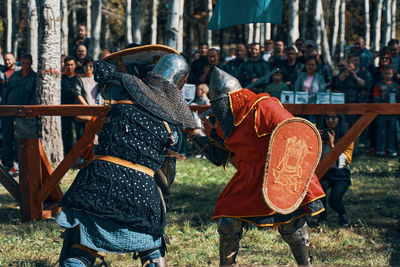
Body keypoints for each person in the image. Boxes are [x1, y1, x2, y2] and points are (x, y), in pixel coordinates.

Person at [56, 53, 197, 266]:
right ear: (182, 82)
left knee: (81, 246)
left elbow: (102, 70)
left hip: (96, 181)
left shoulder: (123, 88)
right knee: (153, 248)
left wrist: (127, 68)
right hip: (140, 190)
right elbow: (167, 168)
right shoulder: (173, 123)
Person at [190, 67, 325, 266]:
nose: (216, 108)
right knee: (227, 221)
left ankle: (306, 264)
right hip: (249, 178)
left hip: (279, 175)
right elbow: (219, 157)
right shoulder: (226, 121)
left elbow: (295, 134)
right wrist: (197, 133)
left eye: (218, 103)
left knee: (290, 225)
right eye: (213, 103)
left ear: (231, 98)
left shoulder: (264, 106)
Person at [1, 54, 36, 175]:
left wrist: (29, 112)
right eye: (23, 63)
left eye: (27, 63)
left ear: (31, 63)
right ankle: (6, 165)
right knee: (7, 139)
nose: (25, 65)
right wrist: (3, 108)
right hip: (8, 112)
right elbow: (6, 92)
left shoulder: (34, 77)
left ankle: (18, 166)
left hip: (23, 114)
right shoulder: (14, 76)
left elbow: (34, 97)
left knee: (20, 141)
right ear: (20, 63)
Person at [318, 114, 353, 227]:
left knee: (334, 199)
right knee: (319, 194)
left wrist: (333, 145)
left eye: (334, 117)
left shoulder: (347, 137)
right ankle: (322, 218)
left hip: (341, 174)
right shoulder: (321, 134)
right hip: (325, 171)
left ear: (340, 119)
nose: (330, 120)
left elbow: (344, 161)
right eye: (327, 117)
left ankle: (343, 216)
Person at [372, 65, 400, 157]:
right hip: (381, 112)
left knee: (392, 131)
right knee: (381, 131)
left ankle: (391, 150)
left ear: (393, 74)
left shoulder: (396, 86)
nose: (387, 75)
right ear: (382, 73)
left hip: (393, 113)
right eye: (386, 73)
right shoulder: (378, 85)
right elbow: (376, 98)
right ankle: (380, 150)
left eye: (389, 74)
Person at [61, 56, 82, 156]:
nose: (69, 67)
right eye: (67, 65)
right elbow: (62, 93)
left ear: (75, 65)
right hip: (65, 109)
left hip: (77, 109)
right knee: (66, 133)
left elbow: (79, 93)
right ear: (64, 66)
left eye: (71, 65)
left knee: (79, 133)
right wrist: (72, 91)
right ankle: (68, 155)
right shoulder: (61, 78)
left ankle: (80, 155)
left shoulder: (79, 77)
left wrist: (69, 91)